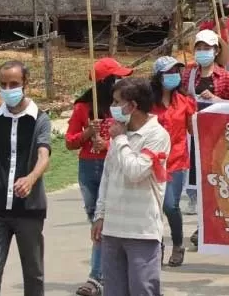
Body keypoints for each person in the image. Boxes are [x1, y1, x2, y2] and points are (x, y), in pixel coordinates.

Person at [92, 77, 171, 296]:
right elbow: (108, 176)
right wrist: (100, 215)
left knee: (142, 289)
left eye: (117, 102)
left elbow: (136, 171)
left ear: (133, 105)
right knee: (114, 291)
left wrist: (119, 141)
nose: (113, 108)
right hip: (113, 229)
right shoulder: (121, 131)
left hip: (142, 231)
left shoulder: (157, 136)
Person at [66, 58, 133, 296]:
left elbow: (133, 138)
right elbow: (69, 142)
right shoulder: (83, 108)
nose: (121, 82)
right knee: (98, 224)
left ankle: (97, 276)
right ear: (105, 82)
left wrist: (107, 144)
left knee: (105, 223)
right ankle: (104, 274)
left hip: (114, 167)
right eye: (116, 78)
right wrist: (87, 132)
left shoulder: (124, 109)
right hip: (88, 170)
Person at [0, 61, 51, 296]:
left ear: (25, 84)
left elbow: (43, 154)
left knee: (33, 272)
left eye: (14, 84)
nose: (8, 89)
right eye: (3, 84)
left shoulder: (40, 119)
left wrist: (31, 178)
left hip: (29, 210)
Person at [181, 30, 229, 241]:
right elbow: (181, 98)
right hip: (192, 135)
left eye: (207, 48)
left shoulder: (225, 76)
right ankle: (201, 226)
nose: (202, 52)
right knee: (196, 180)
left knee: (214, 180)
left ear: (216, 50)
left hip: (215, 136)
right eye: (199, 48)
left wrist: (215, 98)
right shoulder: (188, 74)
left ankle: (213, 225)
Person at [150, 57, 196, 267]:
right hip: (150, 161)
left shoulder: (185, 102)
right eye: (169, 72)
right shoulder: (148, 103)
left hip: (177, 160)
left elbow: (193, 130)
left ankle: (178, 244)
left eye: (177, 71)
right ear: (159, 76)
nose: (174, 76)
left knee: (170, 205)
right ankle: (155, 246)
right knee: (153, 207)